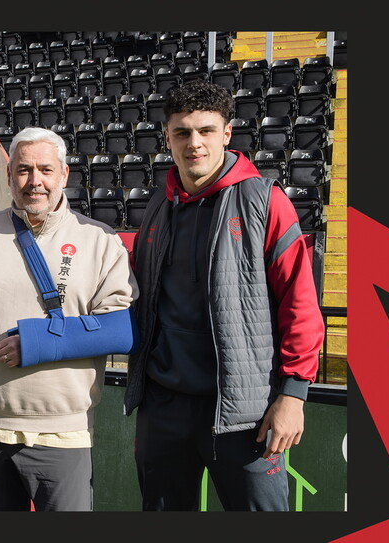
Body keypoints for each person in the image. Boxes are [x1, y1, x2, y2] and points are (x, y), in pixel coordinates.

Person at [123, 79, 325, 511]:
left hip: (245, 412)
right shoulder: (158, 206)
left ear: (227, 133)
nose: (194, 143)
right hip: (164, 407)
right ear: (167, 138)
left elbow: (300, 303)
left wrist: (293, 394)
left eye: (206, 131)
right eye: (182, 132)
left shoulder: (265, 202)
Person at [0, 126, 138, 511]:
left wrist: (37, 342)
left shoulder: (99, 239)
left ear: (64, 175)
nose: (35, 182)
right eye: (23, 170)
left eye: (46, 170)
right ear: (9, 175)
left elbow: (124, 328)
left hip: (62, 434)